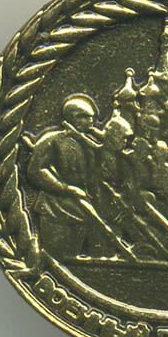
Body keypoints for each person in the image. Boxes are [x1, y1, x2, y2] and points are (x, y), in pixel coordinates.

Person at [27, 94, 117, 261]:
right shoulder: (53, 140)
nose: (92, 122)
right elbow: (36, 171)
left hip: (83, 207)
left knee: (73, 258)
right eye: (87, 117)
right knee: (53, 257)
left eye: (92, 117)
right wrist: (65, 188)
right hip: (55, 208)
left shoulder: (90, 143)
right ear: (75, 118)